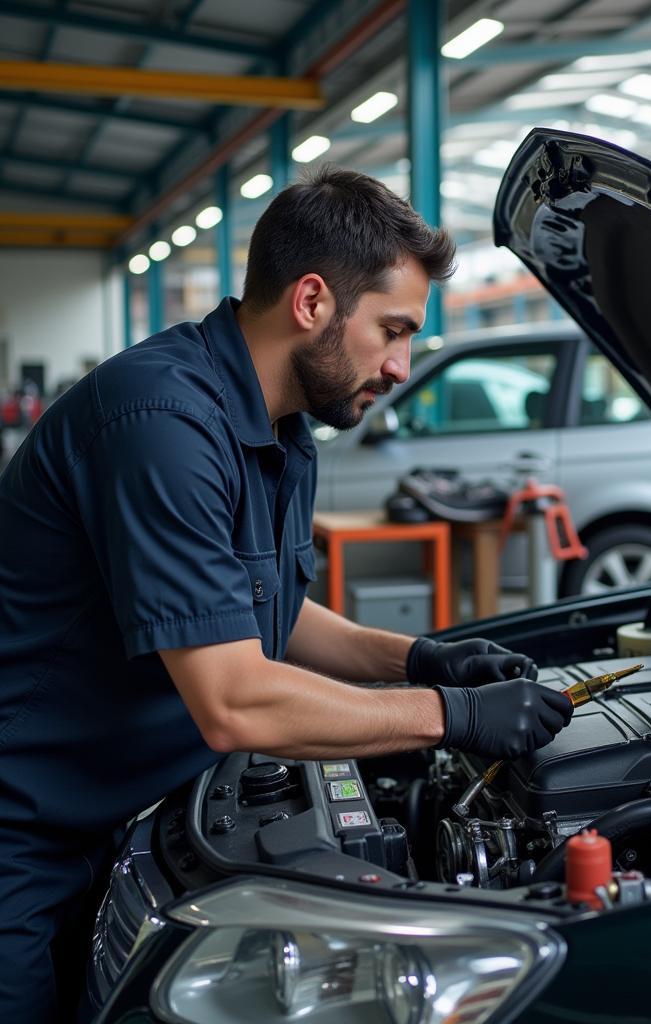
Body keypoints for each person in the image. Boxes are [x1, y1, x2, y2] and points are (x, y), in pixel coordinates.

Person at [0, 167, 573, 1022]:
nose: (399, 365)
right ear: (311, 301)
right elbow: (234, 702)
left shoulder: (283, 430)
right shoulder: (160, 422)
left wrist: (418, 656)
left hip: (110, 817)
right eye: (392, 329)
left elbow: (260, 610)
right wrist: (447, 715)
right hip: (20, 832)